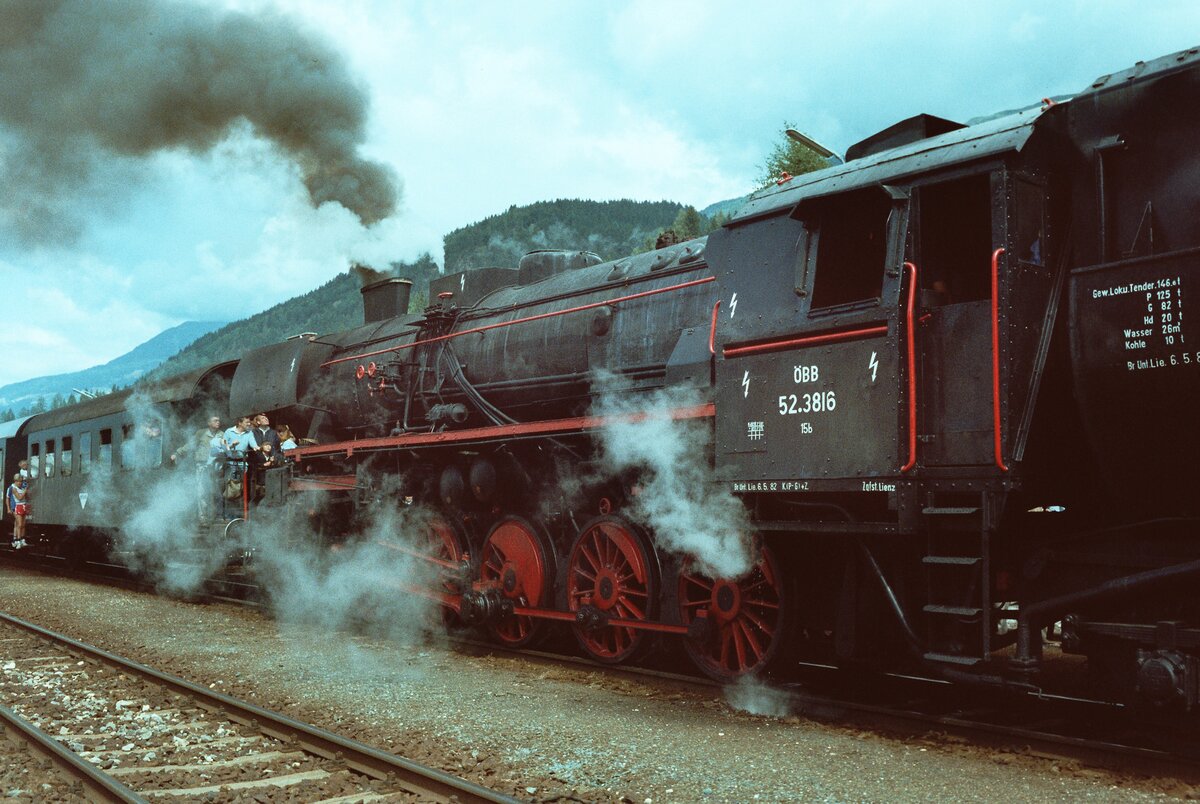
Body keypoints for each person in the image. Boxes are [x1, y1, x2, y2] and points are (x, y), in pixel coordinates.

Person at [171, 415, 224, 522]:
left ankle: (218, 516)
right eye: (215, 420)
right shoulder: (201, 433)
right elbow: (191, 444)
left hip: (217, 466)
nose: (218, 422)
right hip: (202, 466)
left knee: (217, 492)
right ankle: (203, 517)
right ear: (209, 423)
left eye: (219, 420)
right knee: (202, 492)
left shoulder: (222, 434)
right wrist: (178, 452)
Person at [7, 473, 29, 550]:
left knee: (22, 524)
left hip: (23, 506)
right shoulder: (13, 488)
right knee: (19, 524)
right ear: (15, 481)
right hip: (17, 506)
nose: (20, 483)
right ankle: (17, 540)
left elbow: (26, 495)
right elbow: (18, 497)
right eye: (18, 481)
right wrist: (8, 508)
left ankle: (21, 539)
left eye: (20, 481)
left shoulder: (22, 486)